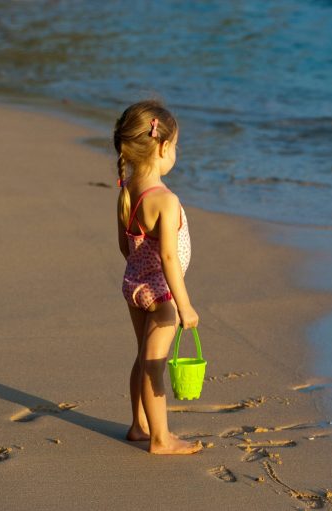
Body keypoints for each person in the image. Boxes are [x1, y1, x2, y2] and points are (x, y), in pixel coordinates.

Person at [114, 100, 203, 455]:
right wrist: (184, 305)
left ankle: (139, 425)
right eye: (176, 146)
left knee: (142, 356)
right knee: (154, 364)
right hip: (162, 294)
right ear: (163, 147)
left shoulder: (127, 189)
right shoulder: (165, 200)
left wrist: (139, 272)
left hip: (133, 283)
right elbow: (168, 256)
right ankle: (161, 439)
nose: (175, 152)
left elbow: (125, 244)